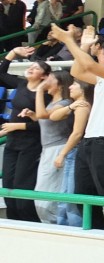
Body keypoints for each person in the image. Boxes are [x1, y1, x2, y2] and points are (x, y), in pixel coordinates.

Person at [50, 24, 104, 232]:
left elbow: (87, 65)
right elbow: (77, 71)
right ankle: (99, 230)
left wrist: (68, 40)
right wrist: (84, 46)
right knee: (82, 193)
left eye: (98, 51)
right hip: (91, 139)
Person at [0, 46, 51, 221]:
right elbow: (1, 73)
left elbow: (45, 124)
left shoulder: (46, 95)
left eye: (36, 68)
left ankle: (28, 222)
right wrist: (13, 53)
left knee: (22, 185)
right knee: (7, 184)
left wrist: (17, 126)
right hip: (12, 142)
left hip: (30, 144)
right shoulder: (21, 84)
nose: (31, 68)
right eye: (31, 66)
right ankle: (13, 221)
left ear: (44, 76)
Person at [26, 71, 74, 224]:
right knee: (42, 193)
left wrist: (39, 89)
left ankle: (54, 225)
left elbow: (43, 115)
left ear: (60, 85)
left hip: (58, 148)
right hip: (48, 149)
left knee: (47, 195)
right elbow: (43, 118)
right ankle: (51, 224)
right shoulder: (53, 102)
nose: (46, 81)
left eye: (50, 78)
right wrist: (32, 115)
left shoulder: (65, 103)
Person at [48, 79, 93, 227]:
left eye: (75, 85)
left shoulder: (83, 106)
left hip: (77, 152)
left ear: (83, 88)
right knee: (64, 196)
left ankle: (74, 228)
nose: (70, 87)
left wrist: (62, 154)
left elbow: (77, 133)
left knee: (71, 197)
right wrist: (70, 106)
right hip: (72, 152)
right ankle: (63, 228)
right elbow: (53, 116)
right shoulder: (76, 105)